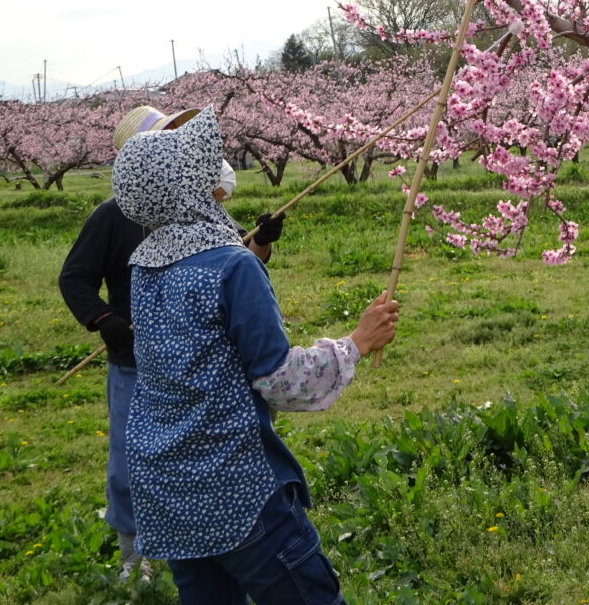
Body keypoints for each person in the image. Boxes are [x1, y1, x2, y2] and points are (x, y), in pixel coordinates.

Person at [110, 106, 399, 604]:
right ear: (188, 182)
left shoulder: (144, 266)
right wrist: (357, 343)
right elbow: (280, 381)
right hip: (235, 484)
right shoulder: (231, 267)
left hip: (168, 487)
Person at [57, 105, 285, 583]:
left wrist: (260, 245)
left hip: (200, 362)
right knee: (130, 462)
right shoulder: (112, 216)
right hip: (134, 363)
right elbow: (75, 277)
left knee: (208, 450)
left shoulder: (196, 202)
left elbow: (226, 268)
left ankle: (215, 536)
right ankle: (133, 558)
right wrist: (105, 319)